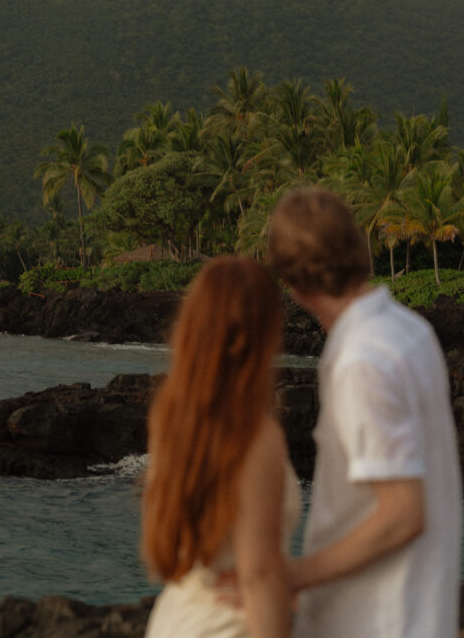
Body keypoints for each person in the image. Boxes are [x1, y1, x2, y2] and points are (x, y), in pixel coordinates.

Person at [268, 187, 463, 638]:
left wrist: (292, 576)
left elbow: (403, 514)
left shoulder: (361, 360)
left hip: (376, 622)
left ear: (291, 281)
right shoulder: (411, 330)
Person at [142, 255, 300, 638]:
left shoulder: (172, 419)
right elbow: (258, 574)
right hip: (229, 626)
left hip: (174, 621)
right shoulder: (254, 434)